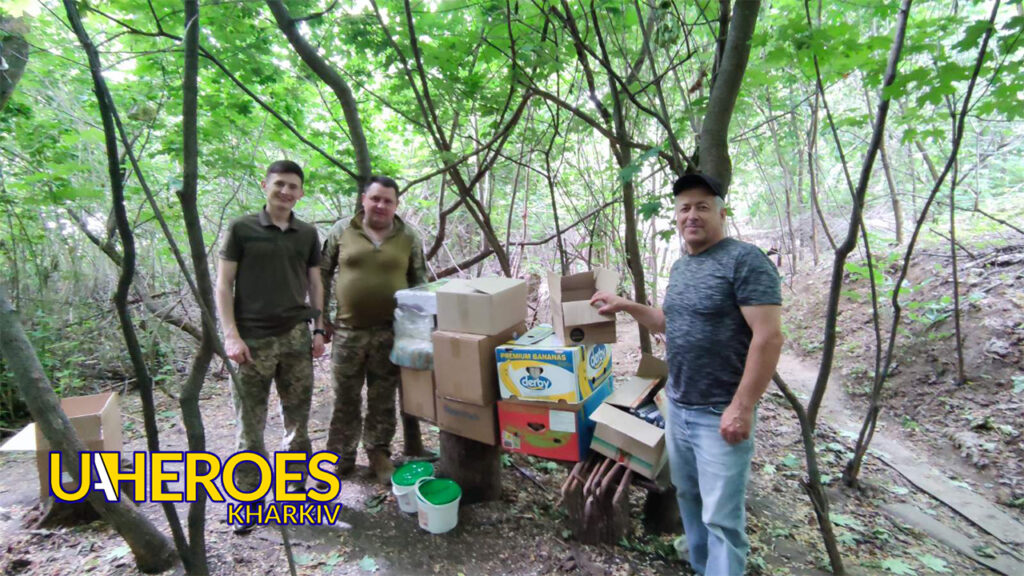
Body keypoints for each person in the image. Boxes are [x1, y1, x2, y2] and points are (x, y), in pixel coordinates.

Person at [591, 173, 783, 575]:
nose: (691, 215)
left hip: (719, 412)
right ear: (676, 216)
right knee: (689, 500)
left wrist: (742, 407)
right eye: (684, 208)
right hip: (677, 407)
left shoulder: (744, 260)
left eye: (702, 206)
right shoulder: (682, 267)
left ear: (721, 212)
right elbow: (667, 322)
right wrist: (625, 304)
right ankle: (700, 566)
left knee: (722, 519)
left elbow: (768, 338)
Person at [215, 160, 326, 534]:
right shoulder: (242, 228)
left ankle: (295, 487)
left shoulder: (307, 233)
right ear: (265, 185)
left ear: (301, 192)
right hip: (252, 340)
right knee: (250, 424)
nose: (285, 192)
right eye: (279, 184)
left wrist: (319, 329)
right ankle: (247, 498)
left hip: (296, 335)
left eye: (293, 186)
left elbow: (315, 283)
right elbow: (223, 285)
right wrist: (230, 334)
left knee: (298, 419)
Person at [320, 176, 427, 484]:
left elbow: (419, 283)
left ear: (395, 205)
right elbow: (321, 273)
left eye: (388, 201)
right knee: (345, 397)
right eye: (376, 198)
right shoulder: (342, 230)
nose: (381, 205)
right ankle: (341, 457)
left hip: (390, 333)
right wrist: (322, 318)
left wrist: (417, 331)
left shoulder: (409, 236)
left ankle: (379, 454)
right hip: (346, 332)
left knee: (383, 397)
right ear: (364, 199)